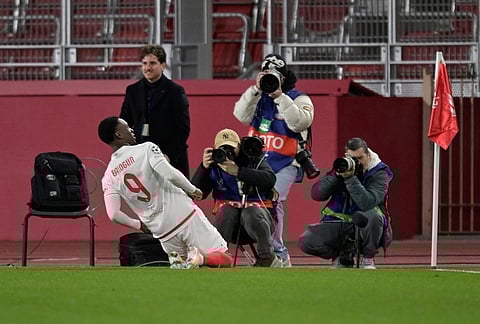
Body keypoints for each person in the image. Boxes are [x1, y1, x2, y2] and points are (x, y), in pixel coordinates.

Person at [98, 116, 232, 269]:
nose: (132, 130)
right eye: (127, 127)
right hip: (184, 216)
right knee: (224, 258)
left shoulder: (108, 175)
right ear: (118, 135)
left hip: (162, 232)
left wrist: (139, 225)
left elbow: (114, 214)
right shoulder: (146, 148)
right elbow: (170, 173)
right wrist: (192, 189)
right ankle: (199, 258)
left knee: (183, 268)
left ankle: (183, 260)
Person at [233, 54, 315, 267]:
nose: (271, 80)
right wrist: (255, 89)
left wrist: (279, 95)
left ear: (284, 77)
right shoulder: (258, 97)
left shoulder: (299, 97)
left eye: (275, 75)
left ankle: (279, 253)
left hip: (288, 161)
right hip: (259, 162)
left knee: (273, 199)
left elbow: (299, 123)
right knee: (255, 203)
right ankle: (267, 250)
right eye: (267, 74)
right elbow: (240, 115)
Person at [191, 128, 283, 267]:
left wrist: (238, 171)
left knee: (251, 211)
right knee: (227, 209)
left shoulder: (252, 159)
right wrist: (203, 168)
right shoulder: (214, 165)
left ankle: (266, 257)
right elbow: (197, 194)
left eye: (231, 148)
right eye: (223, 149)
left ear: (239, 147)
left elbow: (270, 179)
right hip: (230, 226)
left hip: (259, 223)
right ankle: (219, 257)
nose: (228, 153)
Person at [298, 137, 394, 269]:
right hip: (339, 223)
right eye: (353, 159)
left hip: (364, 226)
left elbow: (367, 203)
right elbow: (316, 195)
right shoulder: (343, 168)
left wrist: (350, 178)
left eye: (360, 158)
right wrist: (336, 175)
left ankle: (368, 258)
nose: (357, 162)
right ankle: (341, 256)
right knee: (307, 241)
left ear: (368, 155)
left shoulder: (379, 173)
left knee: (373, 215)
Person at [119, 44, 191, 178]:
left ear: (163, 65)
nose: (147, 68)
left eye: (152, 63)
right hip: (141, 157)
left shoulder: (175, 91)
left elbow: (183, 129)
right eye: (144, 63)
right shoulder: (132, 91)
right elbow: (124, 123)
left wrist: (168, 155)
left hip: (170, 158)